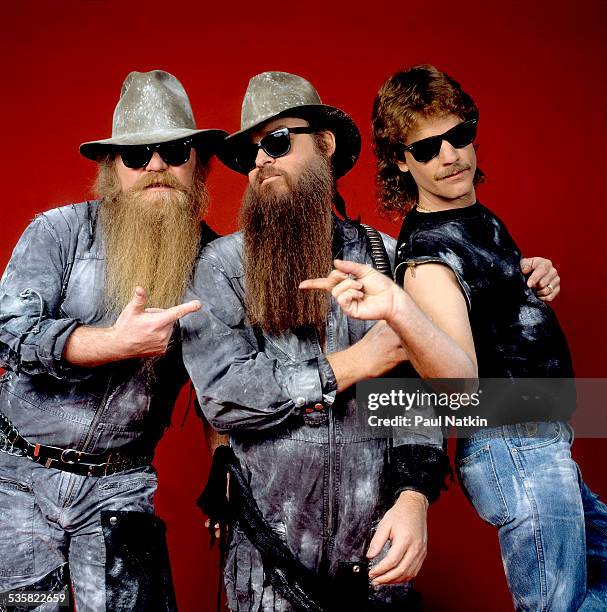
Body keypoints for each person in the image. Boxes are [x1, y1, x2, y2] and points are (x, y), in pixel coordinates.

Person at [301, 65, 607, 610]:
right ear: (401, 160)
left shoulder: (475, 220)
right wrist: (399, 307)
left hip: (541, 437)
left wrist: (530, 280)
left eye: (460, 135)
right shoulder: (427, 258)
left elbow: (494, 310)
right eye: (428, 147)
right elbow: (459, 387)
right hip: (513, 444)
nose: (451, 156)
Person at [181, 71, 455, 611]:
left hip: (378, 556)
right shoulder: (220, 267)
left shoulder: (389, 256)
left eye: (278, 142)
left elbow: (421, 392)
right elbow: (224, 394)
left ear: (325, 145)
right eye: (252, 152)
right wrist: (352, 363)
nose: (262, 161)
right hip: (266, 569)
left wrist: (415, 496)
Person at [0, 70, 226, 611]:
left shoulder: (217, 262)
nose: (155, 166)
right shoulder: (58, 233)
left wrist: (223, 463)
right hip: (18, 481)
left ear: (197, 164)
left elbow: (222, 377)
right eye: (137, 154)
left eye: (173, 151)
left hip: (120, 486)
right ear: (111, 169)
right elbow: (8, 335)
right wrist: (110, 343)